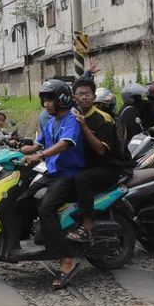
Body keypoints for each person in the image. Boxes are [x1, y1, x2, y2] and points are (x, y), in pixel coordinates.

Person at [15, 79, 85, 290]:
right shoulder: (50, 122)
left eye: (49, 99)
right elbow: (37, 144)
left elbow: (64, 144)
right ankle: (24, 243)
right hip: (52, 173)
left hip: (68, 175)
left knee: (46, 208)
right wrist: (17, 149)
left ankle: (66, 260)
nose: (45, 103)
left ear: (61, 100)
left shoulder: (71, 120)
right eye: (44, 99)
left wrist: (40, 155)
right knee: (23, 198)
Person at [68, 79, 134, 242]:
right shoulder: (72, 115)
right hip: (89, 164)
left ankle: (87, 224)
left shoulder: (103, 119)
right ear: (73, 97)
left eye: (88, 94)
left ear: (94, 96)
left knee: (82, 179)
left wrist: (84, 128)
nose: (84, 97)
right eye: (80, 94)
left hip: (110, 166)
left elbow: (100, 150)